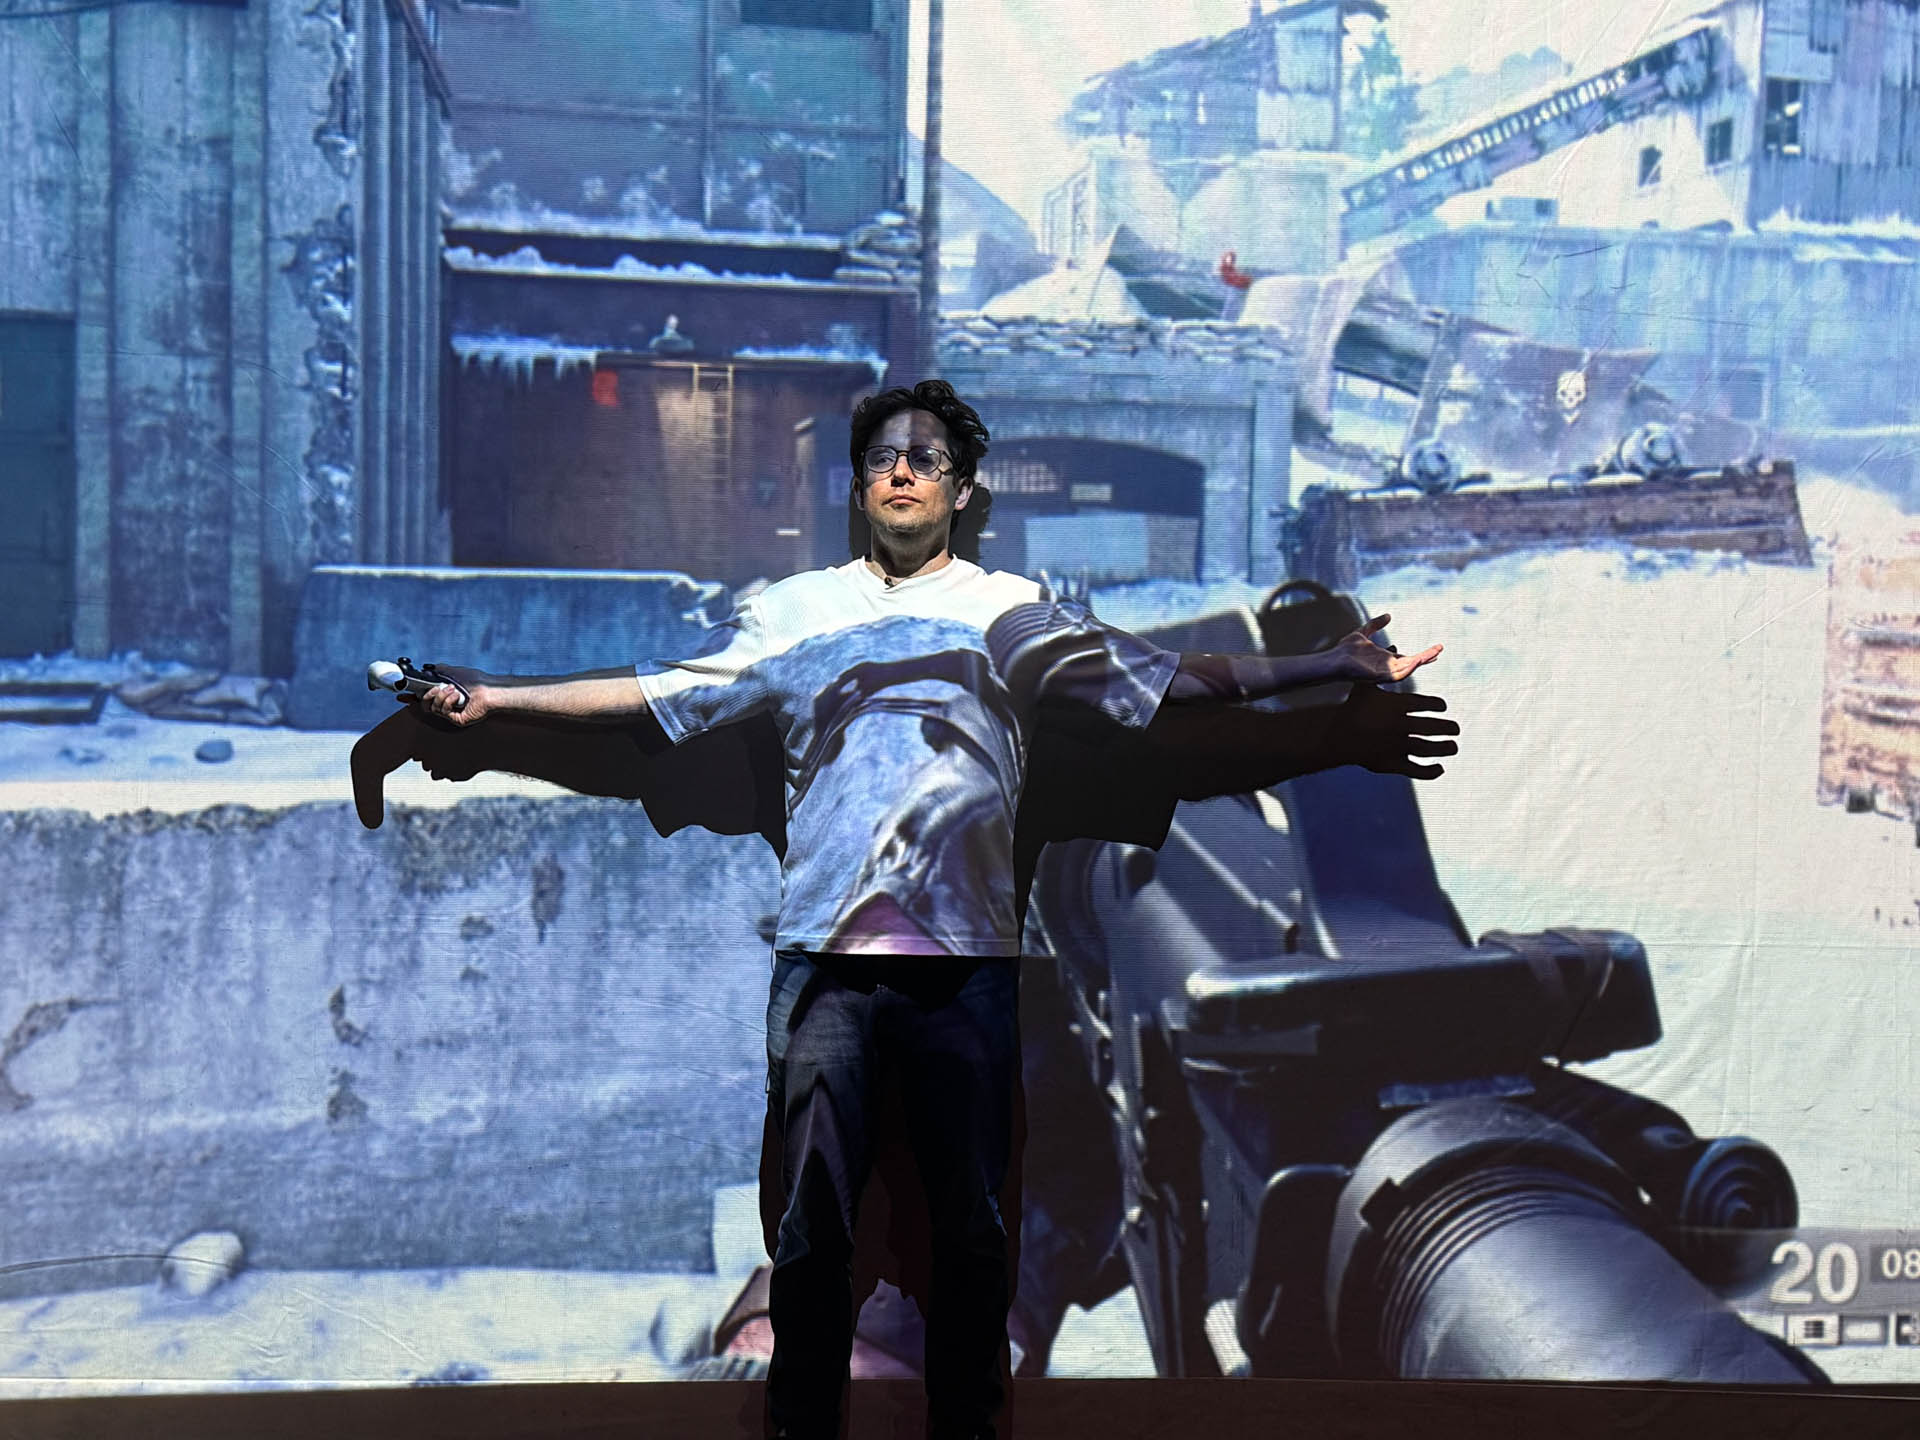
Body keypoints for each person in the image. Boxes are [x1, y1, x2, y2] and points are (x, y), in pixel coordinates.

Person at [405, 379, 1453, 1439]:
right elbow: (651, 701)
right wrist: (499, 708)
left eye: (928, 461)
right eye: (883, 460)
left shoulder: (1010, 622)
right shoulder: (800, 621)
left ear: (962, 493)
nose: (903, 475)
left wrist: (1324, 673)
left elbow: (1174, 683)